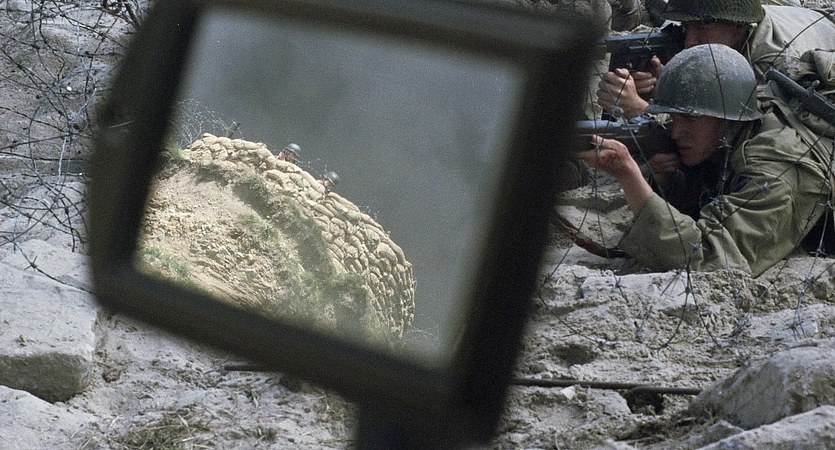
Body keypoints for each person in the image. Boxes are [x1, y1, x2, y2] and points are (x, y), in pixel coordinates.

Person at [580, 44, 831, 277]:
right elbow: (708, 193)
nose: (676, 132)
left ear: (728, 118)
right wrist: (667, 180)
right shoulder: (736, 116)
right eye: (674, 118)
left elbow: (710, 259)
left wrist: (629, 176)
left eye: (690, 119)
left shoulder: (777, 172)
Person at [596, 0, 835, 121]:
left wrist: (642, 110)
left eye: (704, 26)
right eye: (686, 26)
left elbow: (738, 131)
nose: (690, 40)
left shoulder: (774, 63)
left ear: (739, 26)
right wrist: (665, 86)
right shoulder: (711, 25)